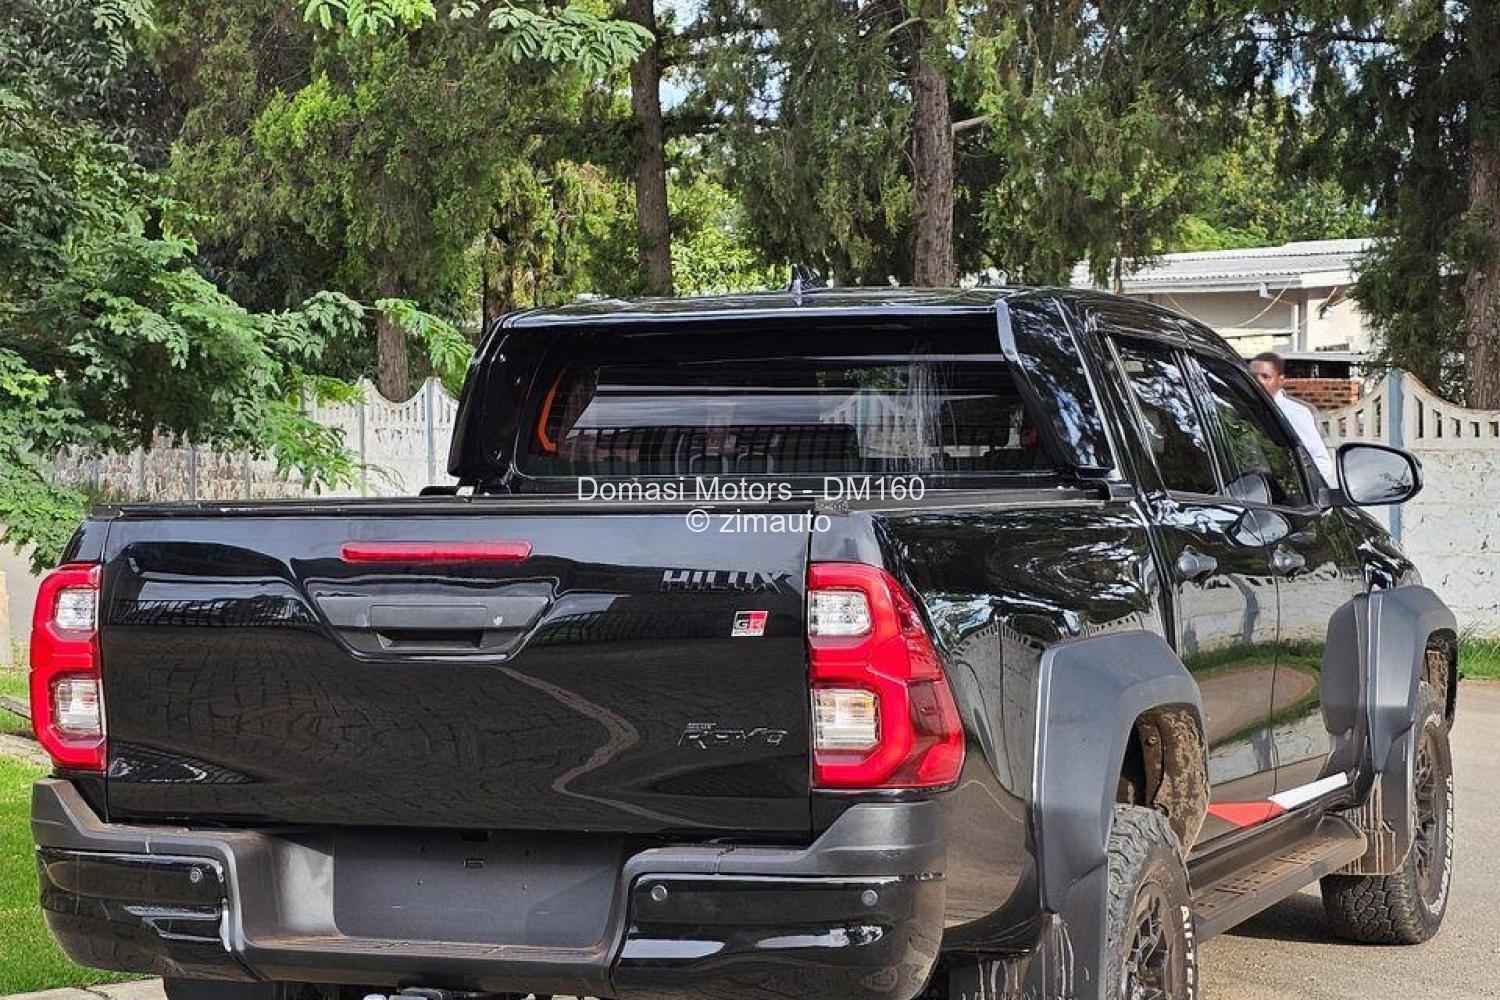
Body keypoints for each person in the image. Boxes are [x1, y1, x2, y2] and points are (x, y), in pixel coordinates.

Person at [1249, 351, 1336, 483]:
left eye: (1265, 377)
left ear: (1280, 381)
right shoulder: (1236, 407)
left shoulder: (1296, 413)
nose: (1258, 382)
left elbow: (1320, 462)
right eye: (1253, 377)